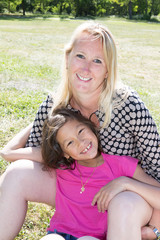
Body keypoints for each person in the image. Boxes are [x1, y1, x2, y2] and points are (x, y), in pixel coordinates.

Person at [0, 21, 160, 240]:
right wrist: (15, 147)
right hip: (77, 190)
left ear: (107, 70)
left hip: (124, 197)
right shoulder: (54, 106)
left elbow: (157, 171)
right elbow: (41, 155)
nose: (85, 68)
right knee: (17, 173)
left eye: (97, 60)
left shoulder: (129, 106)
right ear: (67, 59)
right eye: (80, 56)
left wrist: (154, 228)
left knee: (125, 203)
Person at [40, 107, 160, 240]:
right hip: (58, 233)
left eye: (80, 131)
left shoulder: (121, 165)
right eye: (70, 142)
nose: (81, 142)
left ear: (90, 127)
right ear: (65, 154)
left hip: (94, 237)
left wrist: (126, 183)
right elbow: (11, 152)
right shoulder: (62, 167)